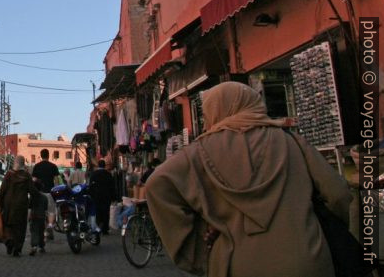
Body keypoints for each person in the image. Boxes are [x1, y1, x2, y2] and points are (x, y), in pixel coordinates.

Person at [146, 82, 351, 277]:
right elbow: (338, 193)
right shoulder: (292, 142)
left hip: (236, 264)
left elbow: (157, 185)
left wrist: (197, 248)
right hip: (307, 258)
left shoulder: (197, 153)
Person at [0, 155, 39, 256]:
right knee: (20, 228)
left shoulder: (9, 175)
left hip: (8, 204)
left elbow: (2, 190)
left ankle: (9, 241)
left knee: (8, 224)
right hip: (21, 204)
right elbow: (33, 191)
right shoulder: (26, 176)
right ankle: (17, 248)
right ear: (23, 164)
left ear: (15, 163)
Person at [31, 148, 60, 239]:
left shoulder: (37, 166)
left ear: (41, 155)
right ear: (48, 155)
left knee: (41, 212)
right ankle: (50, 225)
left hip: (40, 193)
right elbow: (56, 180)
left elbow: (34, 180)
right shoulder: (53, 166)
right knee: (51, 211)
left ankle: (43, 231)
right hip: (50, 192)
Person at [88, 159, 116, 234]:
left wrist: (91, 195)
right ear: (105, 166)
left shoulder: (93, 174)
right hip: (106, 197)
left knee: (97, 212)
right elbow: (112, 187)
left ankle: (98, 228)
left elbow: (91, 186)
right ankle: (105, 229)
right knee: (106, 213)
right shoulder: (108, 174)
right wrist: (114, 197)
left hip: (96, 197)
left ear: (98, 165)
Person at [29, 179, 48, 256]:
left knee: (34, 231)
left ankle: (34, 246)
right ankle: (41, 246)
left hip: (34, 216)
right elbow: (46, 208)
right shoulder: (44, 197)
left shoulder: (32, 197)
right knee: (41, 232)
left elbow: (29, 206)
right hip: (42, 216)